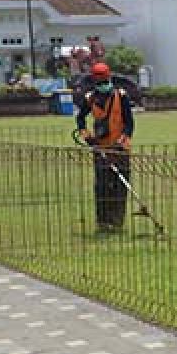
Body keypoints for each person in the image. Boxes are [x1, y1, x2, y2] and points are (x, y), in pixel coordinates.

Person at [76, 62, 135, 232]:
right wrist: (86, 135)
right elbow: (80, 118)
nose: (103, 85)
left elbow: (129, 123)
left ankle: (117, 222)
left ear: (109, 78)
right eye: (100, 82)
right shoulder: (90, 99)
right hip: (100, 148)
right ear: (95, 81)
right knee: (102, 186)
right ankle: (103, 222)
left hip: (120, 148)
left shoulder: (120, 96)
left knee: (119, 186)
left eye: (105, 81)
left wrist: (124, 138)